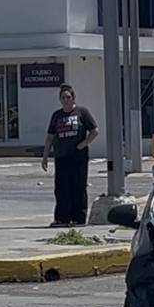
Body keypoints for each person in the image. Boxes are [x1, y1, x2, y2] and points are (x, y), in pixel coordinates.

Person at [42, 84, 98, 227]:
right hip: (61, 157)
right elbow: (50, 137)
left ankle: (78, 219)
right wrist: (45, 156)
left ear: (73, 98)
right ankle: (62, 218)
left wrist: (82, 144)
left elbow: (94, 131)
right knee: (61, 188)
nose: (66, 100)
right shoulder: (57, 115)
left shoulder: (82, 112)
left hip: (78, 157)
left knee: (78, 187)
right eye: (63, 97)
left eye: (68, 97)